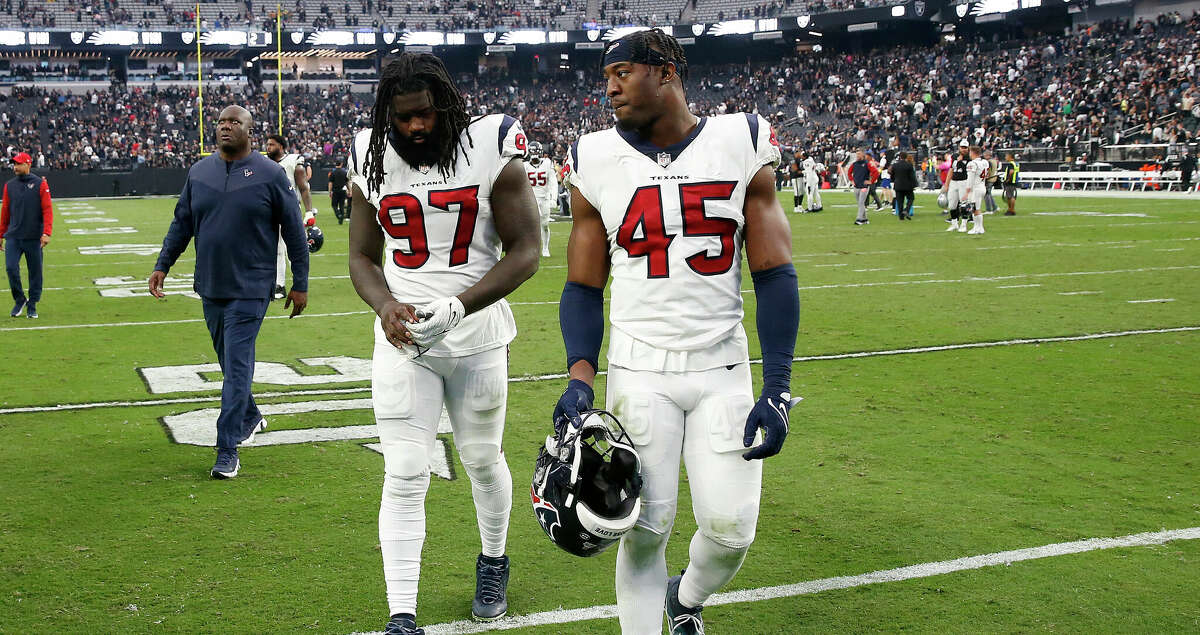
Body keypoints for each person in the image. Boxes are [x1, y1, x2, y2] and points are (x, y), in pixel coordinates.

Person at [556, 29, 800, 635]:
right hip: (640, 369)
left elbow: (774, 273)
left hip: (722, 366)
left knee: (730, 528)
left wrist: (778, 387)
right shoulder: (595, 158)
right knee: (644, 530)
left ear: (666, 72)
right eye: (605, 76)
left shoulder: (738, 140)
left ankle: (685, 599)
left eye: (623, 73)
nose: (610, 88)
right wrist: (581, 374)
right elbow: (583, 285)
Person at [345, 53, 540, 635]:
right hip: (406, 342)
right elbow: (360, 255)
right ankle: (401, 613)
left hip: (478, 337)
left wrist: (459, 305)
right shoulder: (369, 152)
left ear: (447, 106)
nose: (415, 128)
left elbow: (526, 250)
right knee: (405, 471)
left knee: (481, 459)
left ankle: (494, 558)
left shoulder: (490, 142)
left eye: (425, 115)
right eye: (402, 119)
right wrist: (385, 304)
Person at [149, 105, 310, 479]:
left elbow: (294, 231)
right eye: (221, 122)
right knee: (229, 362)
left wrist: (300, 283)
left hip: (252, 286)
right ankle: (250, 415)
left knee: (237, 365)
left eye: (234, 123)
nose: (225, 127)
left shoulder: (270, 174)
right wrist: (162, 265)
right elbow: (182, 223)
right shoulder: (199, 171)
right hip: (210, 284)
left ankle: (227, 447)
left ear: (250, 131)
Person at [1, 152, 53, 319]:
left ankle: (32, 304)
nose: (15, 167)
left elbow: (47, 210)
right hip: (14, 236)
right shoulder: (9, 185)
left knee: (35, 272)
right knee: (10, 268)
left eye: (18, 164)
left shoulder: (40, 184)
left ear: (28, 164)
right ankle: (20, 299)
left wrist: (47, 232)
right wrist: (1, 233)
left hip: (33, 236)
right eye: (14, 164)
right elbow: (5, 211)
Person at [265, 134, 316, 300]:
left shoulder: (294, 161)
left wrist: (309, 211)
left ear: (281, 146)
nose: (268, 147)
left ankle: (282, 285)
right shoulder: (264, 163)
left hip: (289, 210)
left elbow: (303, 188)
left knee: (286, 248)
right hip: (269, 210)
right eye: (267, 144)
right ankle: (276, 283)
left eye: (271, 144)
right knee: (275, 248)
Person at [523, 141, 559, 257]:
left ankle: (545, 248)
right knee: (532, 225)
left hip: (544, 199)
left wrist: (554, 198)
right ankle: (533, 248)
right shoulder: (525, 166)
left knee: (544, 224)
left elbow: (553, 182)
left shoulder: (547, 164)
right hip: (530, 199)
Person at [943, 140, 971, 232]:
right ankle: (954, 224)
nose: (963, 149)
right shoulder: (954, 156)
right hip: (954, 182)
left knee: (963, 204)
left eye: (965, 147)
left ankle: (963, 224)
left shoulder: (969, 157)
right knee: (952, 204)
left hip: (964, 181)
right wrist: (946, 184)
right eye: (962, 147)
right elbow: (951, 170)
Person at [964, 145, 988, 234]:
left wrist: (967, 191)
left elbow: (970, 179)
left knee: (975, 208)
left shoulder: (972, 164)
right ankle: (980, 227)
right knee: (977, 208)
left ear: (972, 152)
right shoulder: (985, 162)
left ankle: (977, 227)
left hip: (976, 188)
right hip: (982, 186)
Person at [850, 149, 878, 226]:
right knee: (860, 203)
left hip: (864, 186)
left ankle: (859, 219)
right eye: (857, 154)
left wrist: (871, 181)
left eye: (859, 154)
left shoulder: (867, 164)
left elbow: (876, 172)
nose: (857, 156)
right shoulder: (854, 164)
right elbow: (849, 172)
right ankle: (865, 219)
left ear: (863, 155)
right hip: (856, 186)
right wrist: (852, 180)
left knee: (861, 202)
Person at [890, 152, 917, 220]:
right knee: (911, 198)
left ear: (900, 157)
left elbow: (892, 175)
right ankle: (906, 210)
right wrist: (914, 185)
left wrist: (894, 181)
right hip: (908, 186)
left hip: (898, 185)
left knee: (899, 201)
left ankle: (901, 216)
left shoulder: (895, 165)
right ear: (906, 157)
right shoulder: (909, 165)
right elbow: (912, 176)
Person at [328, 158, 350, 223]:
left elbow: (330, 183)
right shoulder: (344, 172)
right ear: (341, 164)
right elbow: (347, 182)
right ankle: (341, 218)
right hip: (343, 190)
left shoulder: (333, 172)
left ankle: (338, 215)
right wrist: (349, 190)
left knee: (334, 205)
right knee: (341, 205)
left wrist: (329, 191)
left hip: (335, 191)